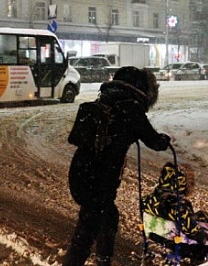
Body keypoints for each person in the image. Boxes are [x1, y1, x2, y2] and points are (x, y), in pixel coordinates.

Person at [63, 66, 171, 266]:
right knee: (92, 226)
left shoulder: (106, 100)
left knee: (103, 219)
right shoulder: (130, 107)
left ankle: (101, 261)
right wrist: (164, 140)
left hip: (81, 171)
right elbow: (153, 141)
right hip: (99, 178)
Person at [141, 162, 208, 260]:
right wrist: (200, 235)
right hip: (178, 241)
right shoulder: (178, 205)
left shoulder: (149, 199)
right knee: (203, 216)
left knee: (194, 217)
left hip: (155, 234)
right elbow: (188, 226)